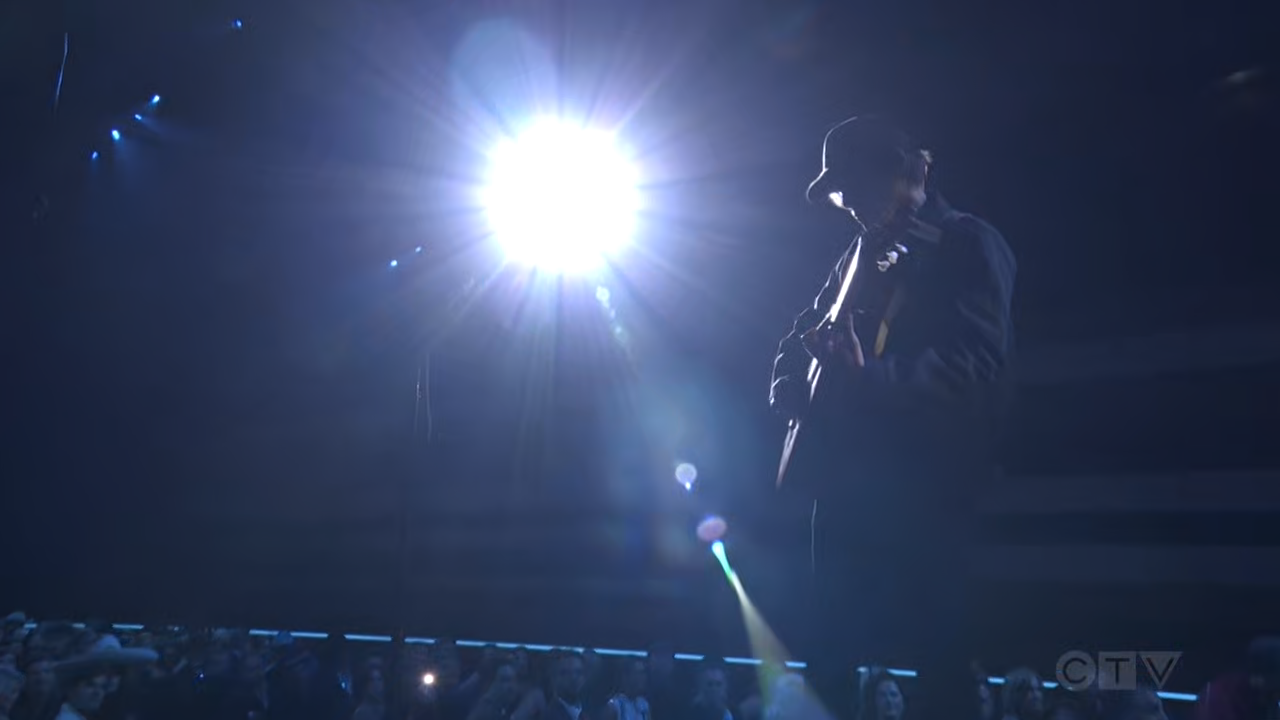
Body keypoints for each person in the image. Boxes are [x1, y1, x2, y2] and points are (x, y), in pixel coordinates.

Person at [768, 115, 1016, 719]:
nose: (847, 204)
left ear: (896, 173)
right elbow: (802, 333)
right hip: (845, 492)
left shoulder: (966, 241)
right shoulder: (857, 255)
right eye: (840, 193)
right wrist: (788, 382)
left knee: (940, 657)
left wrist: (870, 378)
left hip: (924, 491)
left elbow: (976, 361)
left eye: (851, 187)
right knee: (828, 656)